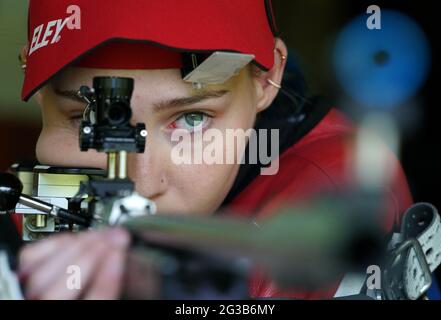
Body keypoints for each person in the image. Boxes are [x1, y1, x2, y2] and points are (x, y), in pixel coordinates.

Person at [14, 0, 413, 300]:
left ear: (265, 80)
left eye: (191, 120)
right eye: (87, 119)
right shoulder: (44, 199)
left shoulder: (328, 200)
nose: (139, 184)